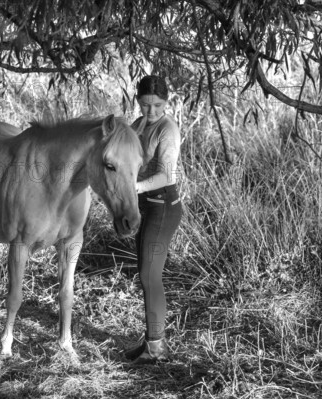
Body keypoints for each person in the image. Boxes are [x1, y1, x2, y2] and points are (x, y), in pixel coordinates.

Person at [124, 75, 183, 364]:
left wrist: (134, 187)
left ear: (166, 102)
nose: (151, 112)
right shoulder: (137, 124)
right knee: (144, 274)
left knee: (150, 275)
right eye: (146, 105)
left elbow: (166, 175)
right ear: (138, 101)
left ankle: (157, 348)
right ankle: (151, 342)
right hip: (145, 206)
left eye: (158, 105)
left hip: (163, 207)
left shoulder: (167, 129)